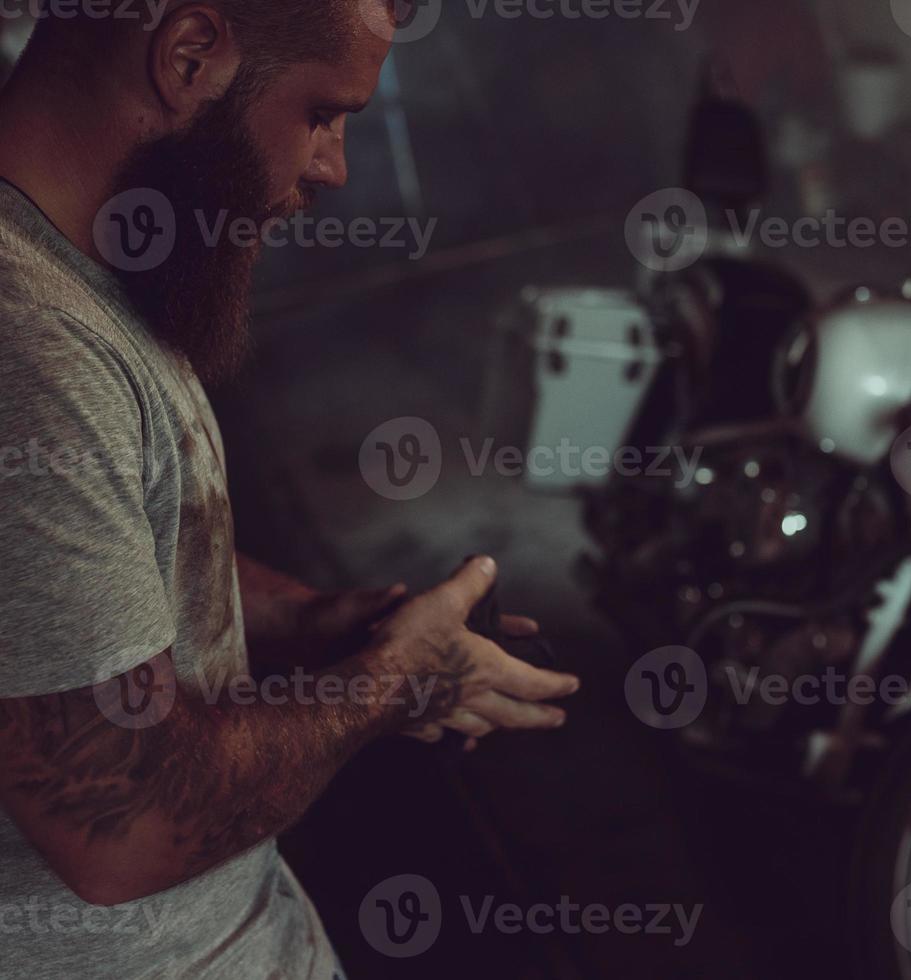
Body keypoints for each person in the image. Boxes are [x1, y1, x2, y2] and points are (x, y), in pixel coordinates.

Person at [0, 4, 581, 978]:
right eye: (321, 112)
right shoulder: (31, 350)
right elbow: (122, 823)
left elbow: (93, 546)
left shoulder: (84, 276)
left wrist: (314, 617)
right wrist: (390, 680)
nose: (331, 168)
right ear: (189, 57)